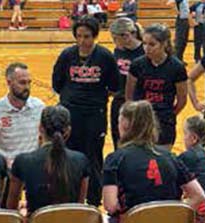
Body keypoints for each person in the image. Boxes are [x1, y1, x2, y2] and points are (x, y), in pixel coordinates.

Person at [52, 16, 119, 206]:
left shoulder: (105, 56)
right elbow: (57, 83)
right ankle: (70, 196)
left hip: (94, 114)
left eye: (87, 36)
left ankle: (93, 199)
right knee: (69, 155)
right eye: (79, 36)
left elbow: (114, 85)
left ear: (95, 36)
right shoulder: (67, 55)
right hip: (70, 113)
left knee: (93, 157)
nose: (82, 40)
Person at [102, 101, 205, 223]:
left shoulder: (115, 159)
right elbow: (199, 196)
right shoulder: (171, 157)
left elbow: (110, 206)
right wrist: (174, 215)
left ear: (124, 124)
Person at [7, 106, 89, 215]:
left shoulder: (22, 161)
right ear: (68, 131)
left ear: (40, 128)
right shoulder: (81, 160)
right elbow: (79, 206)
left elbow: (11, 208)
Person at [125, 24, 188, 150]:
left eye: (152, 44)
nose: (146, 48)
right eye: (144, 43)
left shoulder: (177, 67)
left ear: (164, 44)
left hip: (164, 120)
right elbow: (129, 95)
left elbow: (182, 100)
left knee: (162, 158)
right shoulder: (137, 65)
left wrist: (169, 114)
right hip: (141, 118)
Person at [0, 62, 45, 166]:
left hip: (34, 166)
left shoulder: (39, 107)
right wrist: (1, 162)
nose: (27, 87)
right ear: (9, 82)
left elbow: (43, 138)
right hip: (7, 169)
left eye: (29, 82)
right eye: (22, 83)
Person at [109, 17, 144, 150]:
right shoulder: (118, 51)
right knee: (118, 139)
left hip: (138, 102)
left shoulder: (144, 51)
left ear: (127, 36)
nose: (114, 42)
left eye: (115, 38)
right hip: (119, 100)